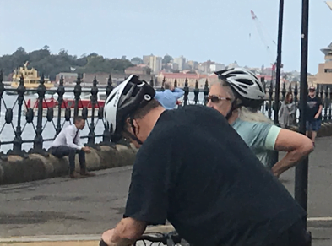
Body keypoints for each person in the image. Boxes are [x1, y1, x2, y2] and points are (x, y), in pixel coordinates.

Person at [100, 75, 310, 246]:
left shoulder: (154, 147)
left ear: (132, 124)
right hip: (289, 221)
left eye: (127, 138)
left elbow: (130, 230)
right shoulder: (202, 114)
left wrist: (110, 238)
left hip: (249, 239)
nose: (134, 145)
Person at [207, 67, 313, 176]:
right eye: (208, 99)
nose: (209, 105)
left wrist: (274, 172)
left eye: (215, 99)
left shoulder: (253, 129)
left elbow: (304, 144)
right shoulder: (220, 128)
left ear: (237, 101)